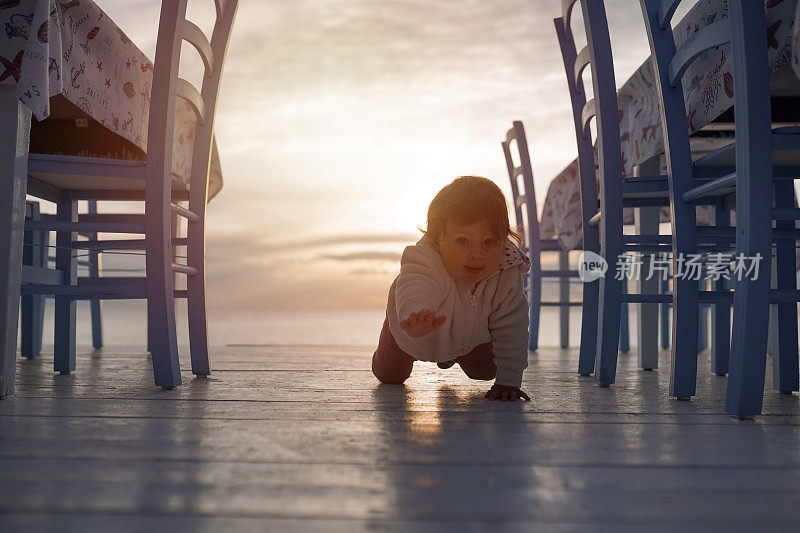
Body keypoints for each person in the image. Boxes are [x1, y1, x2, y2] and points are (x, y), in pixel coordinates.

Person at [372, 176, 532, 402]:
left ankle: (450, 355)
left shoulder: (505, 275)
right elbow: (416, 286)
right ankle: (393, 331)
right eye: (463, 241)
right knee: (390, 375)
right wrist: (415, 313)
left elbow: (513, 327)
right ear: (438, 240)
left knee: (487, 372)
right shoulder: (426, 260)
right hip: (411, 331)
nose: (477, 254)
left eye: (489, 241)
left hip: (469, 340)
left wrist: (510, 381)